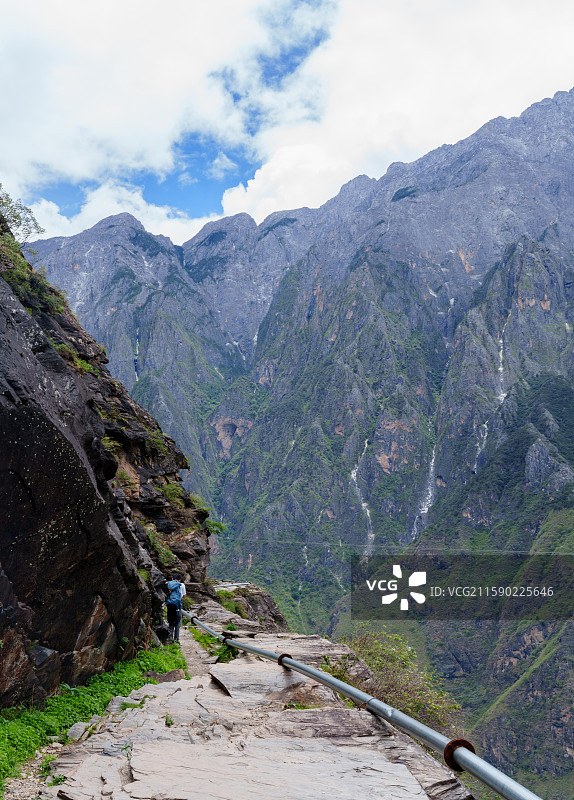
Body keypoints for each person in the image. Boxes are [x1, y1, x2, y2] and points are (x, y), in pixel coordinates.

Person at [165, 573, 186, 643]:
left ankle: (170, 639)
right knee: (177, 623)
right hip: (178, 606)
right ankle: (176, 639)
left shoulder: (168, 584)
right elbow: (184, 596)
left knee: (171, 623)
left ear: (172, 579)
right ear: (179, 580)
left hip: (169, 605)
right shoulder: (182, 585)